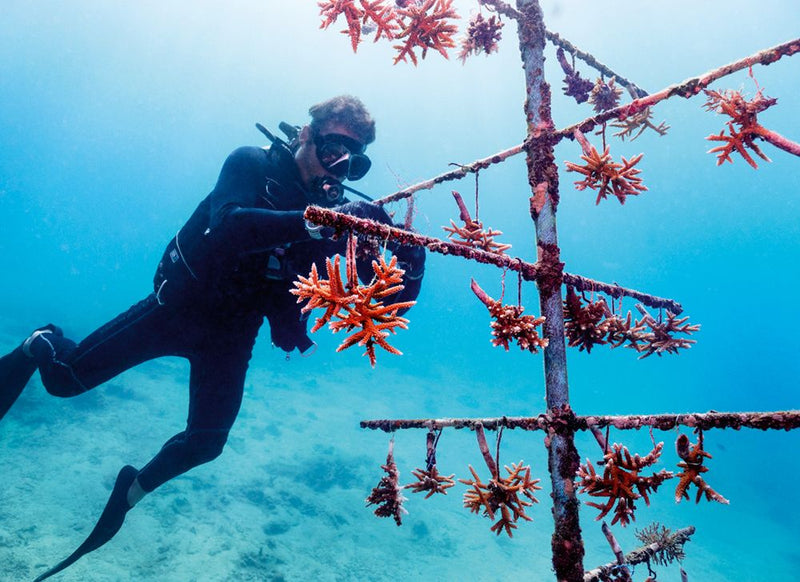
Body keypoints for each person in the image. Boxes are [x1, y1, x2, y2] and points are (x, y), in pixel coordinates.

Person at [0, 95, 425, 580]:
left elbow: (382, 303)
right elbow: (227, 225)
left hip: (232, 334)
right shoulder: (250, 165)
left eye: (355, 161)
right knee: (65, 383)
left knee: (206, 442)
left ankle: (130, 493)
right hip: (178, 308)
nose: (341, 167)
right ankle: (42, 342)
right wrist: (316, 221)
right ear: (306, 136)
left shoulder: (336, 215)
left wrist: (410, 264)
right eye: (333, 150)